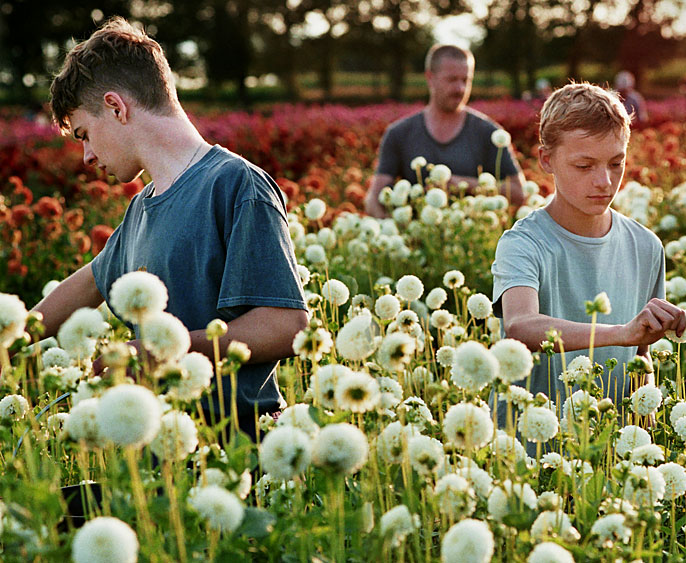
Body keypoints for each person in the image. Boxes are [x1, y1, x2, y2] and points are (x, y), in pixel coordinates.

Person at [32, 17, 308, 437]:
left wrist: (162, 351)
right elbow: (88, 282)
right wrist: (8, 340)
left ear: (116, 106)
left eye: (85, 134)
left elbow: (285, 326)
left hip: (238, 448)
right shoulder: (142, 208)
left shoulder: (235, 184)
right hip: (162, 450)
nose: (87, 156)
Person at [491, 82, 686, 409]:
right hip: (530, 446)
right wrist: (622, 332)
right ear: (546, 159)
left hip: (611, 449)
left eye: (615, 163)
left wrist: (645, 421)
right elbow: (520, 326)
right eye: (584, 166)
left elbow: (641, 356)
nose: (604, 182)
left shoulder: (646, 246)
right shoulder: (523, 243)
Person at [365, 44, 526, 217]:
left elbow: (518, 192)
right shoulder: (399, 133)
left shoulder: (489, 133)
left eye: (466, 80)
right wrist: (392, 228)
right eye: (452, 79)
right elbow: (374, 198)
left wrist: (463, 184)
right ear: (430, 78)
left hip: (471, 237)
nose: (460, 89)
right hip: (417, 239)